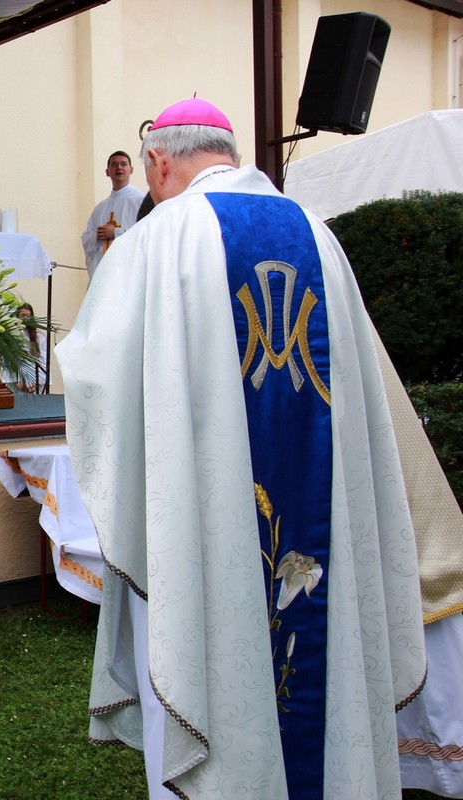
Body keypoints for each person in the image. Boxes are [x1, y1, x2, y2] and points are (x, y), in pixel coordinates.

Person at [55, 98, 425, 799]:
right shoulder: (319, 236)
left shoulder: (158, 240)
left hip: (205, 526)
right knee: (321, 648)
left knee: (205, 624)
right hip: (321, 527)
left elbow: (96, 380)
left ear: (159, 162)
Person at [80, 150, 145, 278]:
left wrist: (116, 233)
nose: (119, 167)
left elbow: (147, 235)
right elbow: (86, 238)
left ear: (131, 170)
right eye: (114, 165)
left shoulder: (142, 201)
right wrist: (97, 236)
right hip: (104, 272)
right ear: (107, 172)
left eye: (123, 164)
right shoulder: (100, 208)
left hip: (129, 273)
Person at [1, 303, 47, 392]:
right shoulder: (8, 334)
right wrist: (17, 382)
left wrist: (37, 382)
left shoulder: (38, 335)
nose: (25, 318)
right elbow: (5, 359)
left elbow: (42, 359)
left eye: (28, 316)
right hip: (15, 380)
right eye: (22, 315)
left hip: (35, 381)